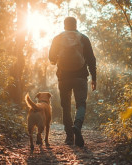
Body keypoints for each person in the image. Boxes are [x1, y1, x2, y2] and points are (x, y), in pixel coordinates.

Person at [49, 17, 96, 147]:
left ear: (64, 26)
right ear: (76, 25)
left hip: (63, 77)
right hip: (80, 76)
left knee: (66, 106)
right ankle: (77, 126)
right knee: (81, 103)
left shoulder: (58, 38)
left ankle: (69, 137)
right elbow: (91, 59)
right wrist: (94, 78)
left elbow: (51, 58)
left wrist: (56, 60)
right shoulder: (83, 38)